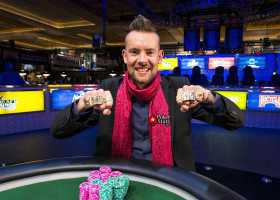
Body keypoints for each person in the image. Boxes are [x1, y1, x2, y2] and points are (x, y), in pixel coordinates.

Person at [51, 15, 244, 171]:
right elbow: (58, 131)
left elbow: (235, 121)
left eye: (149, 52)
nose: (142, 60)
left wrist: (208, 96)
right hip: (116, 179)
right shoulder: (108, 90)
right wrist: (82, 104)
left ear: (159, 57)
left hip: (171, 181)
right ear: (125, 56)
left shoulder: (180, 90)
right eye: (135, 52)